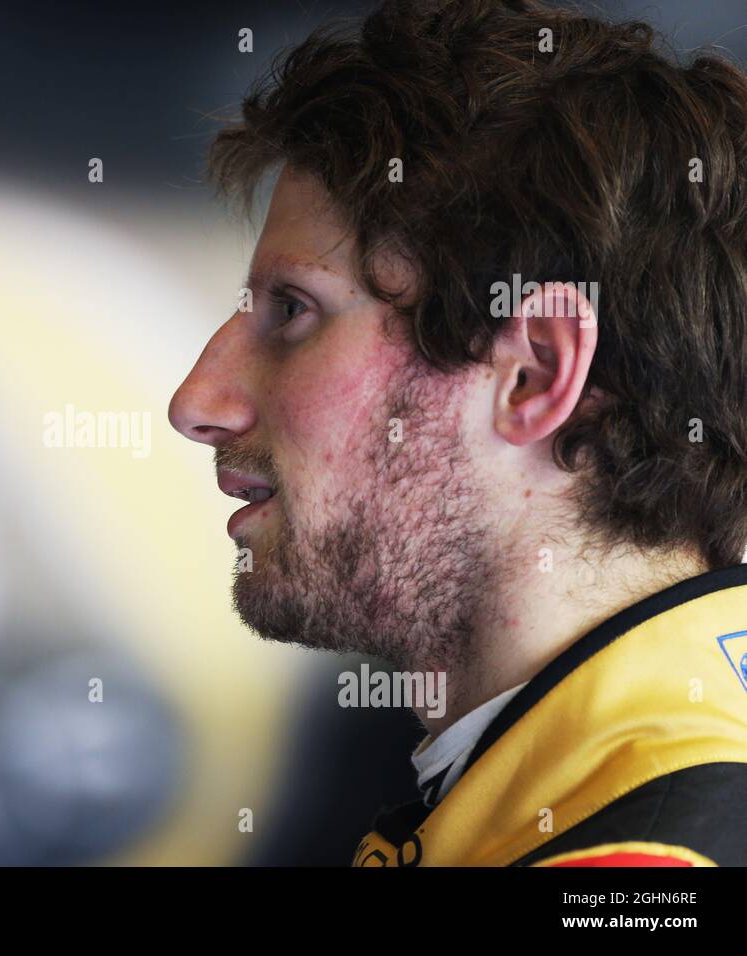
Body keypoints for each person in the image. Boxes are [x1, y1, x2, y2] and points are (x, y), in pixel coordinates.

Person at [169, 0, 747, 866]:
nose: (197, 401)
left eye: (293, 309)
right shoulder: (618, 793)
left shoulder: (641, 865)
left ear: (537, 374)